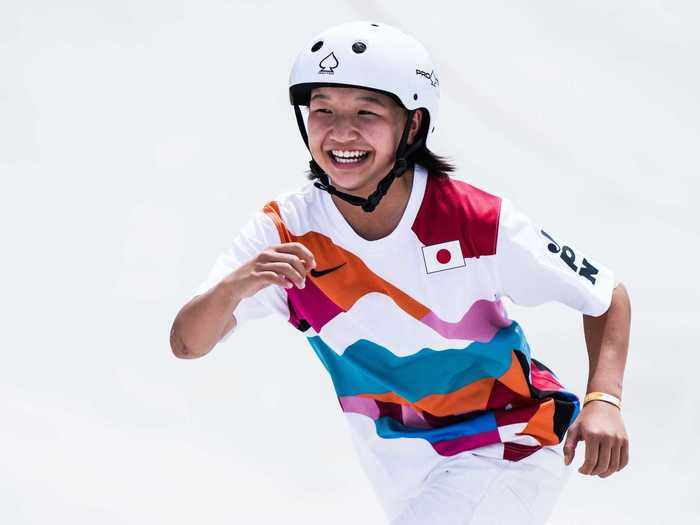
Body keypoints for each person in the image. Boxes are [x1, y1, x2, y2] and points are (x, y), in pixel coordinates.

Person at [170, 21, 631, 525]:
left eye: (366, 113)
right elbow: (188, 343)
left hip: (511, 438)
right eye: (323, 110)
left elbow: (605, 295)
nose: (341, 132)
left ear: (412, 126)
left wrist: (604, 400)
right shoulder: (285, 230)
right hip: (406, 466)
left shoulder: (475, 220)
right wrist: (236, 284)